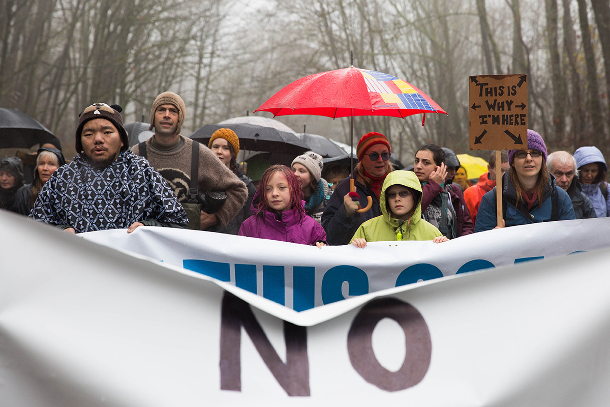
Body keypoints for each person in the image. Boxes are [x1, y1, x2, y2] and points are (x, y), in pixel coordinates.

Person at [31, 103, 188, 233]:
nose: (98, 139)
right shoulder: (62, 177)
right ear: (80, 143)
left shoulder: (141, 172)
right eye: (89, 134)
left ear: (121, 140)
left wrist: (148, 228)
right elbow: (33, 227)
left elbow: (178, 222)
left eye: (107, 132)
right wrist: (61, 230)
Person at [132, 91, 247, 230]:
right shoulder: (135, 154)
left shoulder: (198, 153)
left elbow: (239, 190)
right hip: (145, 245)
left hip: (185, 245)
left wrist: (216, 217)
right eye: (161, 110)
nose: (167, 115)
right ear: (153, 116)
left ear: (180, 119)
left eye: (173, 111)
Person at [475, 129, 575, 232]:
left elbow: (570, 241)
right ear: (512, 162)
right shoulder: (493, 200)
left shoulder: (560, 198)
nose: (528, 158)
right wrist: (493, 239)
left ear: (543, 159)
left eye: (535, 153)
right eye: (521, 154)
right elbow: (480, 245)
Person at [322, 132, 393, 245]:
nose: (380, 160)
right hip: (358, 257)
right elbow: (328, 237)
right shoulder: (346, 187)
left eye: (385, 154)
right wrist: (345, 213)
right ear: (361, 159)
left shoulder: (398, 184)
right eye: (374, 155)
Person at [350, 170, 448, 247]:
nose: (397, 199)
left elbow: (444, 266)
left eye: (404, 193)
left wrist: (445, 247)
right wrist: (355, 247)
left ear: (415, 196)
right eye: (392, 195)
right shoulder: (366, 230)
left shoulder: (431, 232)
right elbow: (350, 265)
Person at [239, 165, 327, 247]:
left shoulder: (312, 227)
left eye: (281, 187)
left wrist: (322, 248)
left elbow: (324, 258)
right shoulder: (249, 226)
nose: (274, 193)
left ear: (294, 190)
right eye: (268, 189)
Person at [414, 144, 473, 239]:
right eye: (417, 161)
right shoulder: (408, 190)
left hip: (452, 251)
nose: (418, 166)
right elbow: (414, 212)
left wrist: (460, 246)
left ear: (440, 167)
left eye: (426, 163)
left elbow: (466, 225)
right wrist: (434, 185)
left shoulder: (454, 192)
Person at [208, 128, 256, 234]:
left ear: (233, 153)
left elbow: (252, 221)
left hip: (235, 244)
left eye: (225, 148)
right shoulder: (200, 181)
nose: (219, 151)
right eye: (215, 147)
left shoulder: (246, 186)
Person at [12, 147, 65, 216]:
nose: (45, 168)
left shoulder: (68, 196)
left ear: (60, 169)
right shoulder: (23, 194)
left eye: (51, 164)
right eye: (42, 163)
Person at [464, 151, 509, 225]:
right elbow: (467, 225)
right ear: (489, 168)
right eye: (501, 170)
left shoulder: (516, 190)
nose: (505, 175)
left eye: (508, 171)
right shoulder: (471, 193)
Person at [547, 151, 596, 219]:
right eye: (558, 174)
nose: (564, 180)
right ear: (547, 173)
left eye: (568, 174)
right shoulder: (538, 199)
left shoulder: (584, 202)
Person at [291, 151, 332, 224]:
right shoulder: (286, 196)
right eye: (293, 170)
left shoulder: (329, 198)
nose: (295, 174)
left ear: (313, 176)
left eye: (301, 171)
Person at [573, 146, 610, 218]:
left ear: (599, 172)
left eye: (594, 171)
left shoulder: (606, 190)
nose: (589, 175)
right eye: (585, 170)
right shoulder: (569, 190)